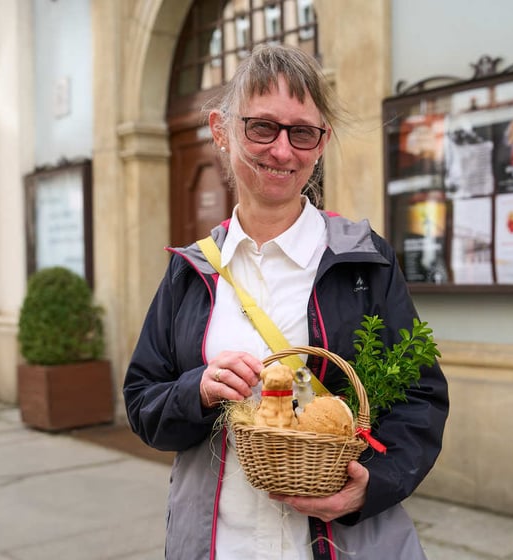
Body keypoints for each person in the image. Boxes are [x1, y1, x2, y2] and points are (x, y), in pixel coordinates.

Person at [123, 43, 449, 560]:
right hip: (218, 546)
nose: (282, 151)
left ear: (321, 144)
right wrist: (197, 390)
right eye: (261, 127)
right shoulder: (191, 271)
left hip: (340, 546)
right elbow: (142, 402)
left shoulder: (363, 261)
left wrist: (373, 485)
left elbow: (420, 399)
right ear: (221, 131)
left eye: (302, 132)